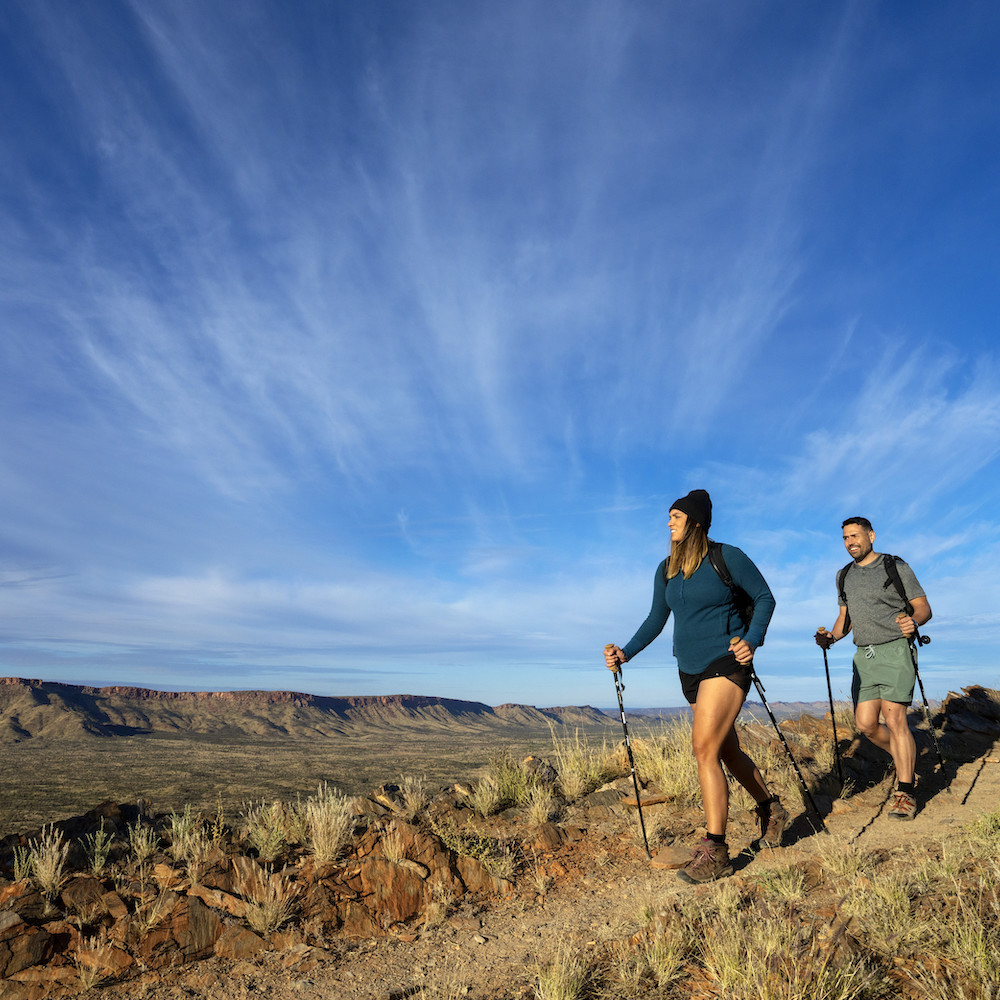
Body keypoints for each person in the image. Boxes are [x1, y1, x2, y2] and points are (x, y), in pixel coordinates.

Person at [604, 489, 784, 884]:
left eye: (676, 516)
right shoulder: (666, 567)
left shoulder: (727, 556)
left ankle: (716, 848)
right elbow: (656, 618)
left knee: (703, 748)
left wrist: (750, 640)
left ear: (696, 521)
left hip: (727, 661)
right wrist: (626, 652)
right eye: (668, 516)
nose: (669, 522)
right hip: (688, 670)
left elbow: (765, 598)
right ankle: (771, 808)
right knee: (726, 750)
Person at [814, 517, 932, 820]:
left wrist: (913, 621)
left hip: (895, 650)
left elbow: (923, 607)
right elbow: (845, 619)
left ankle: (905, 791)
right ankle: (907, 759)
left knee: (895, 721)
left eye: (855, 535)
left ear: (871, 536)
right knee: (866, 724)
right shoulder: (843, 576)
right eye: (845, 537)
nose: (850, 542)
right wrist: (831, 637)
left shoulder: (895, 566)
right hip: (863, 656)